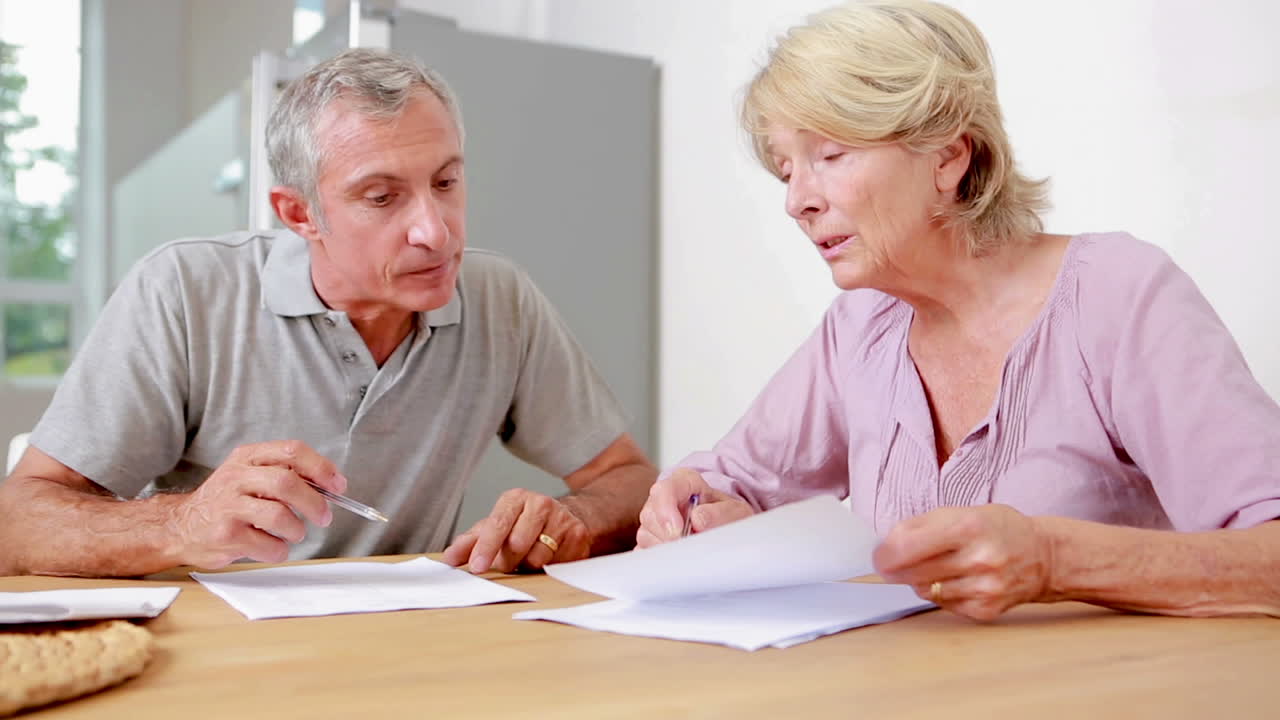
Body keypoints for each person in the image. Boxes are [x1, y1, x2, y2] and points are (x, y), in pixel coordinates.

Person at [638, 0, 1280, 621]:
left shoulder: (1118, 294)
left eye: (830, 155)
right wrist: (695, 509)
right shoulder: (862, 325)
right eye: (786, 171)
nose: (797, 201)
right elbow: (736, 484)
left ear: (949, 155)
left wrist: (1055, 560)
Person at [0, 48, 656, 578]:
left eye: (447, 182)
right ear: (299, 214)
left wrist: (574, 519)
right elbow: (17, 523)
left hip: (407, 646)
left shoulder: (500, 298)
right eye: (381, 197)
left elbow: (628, 480)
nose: (436, 231)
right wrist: (182, 523)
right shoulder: (185, 289)